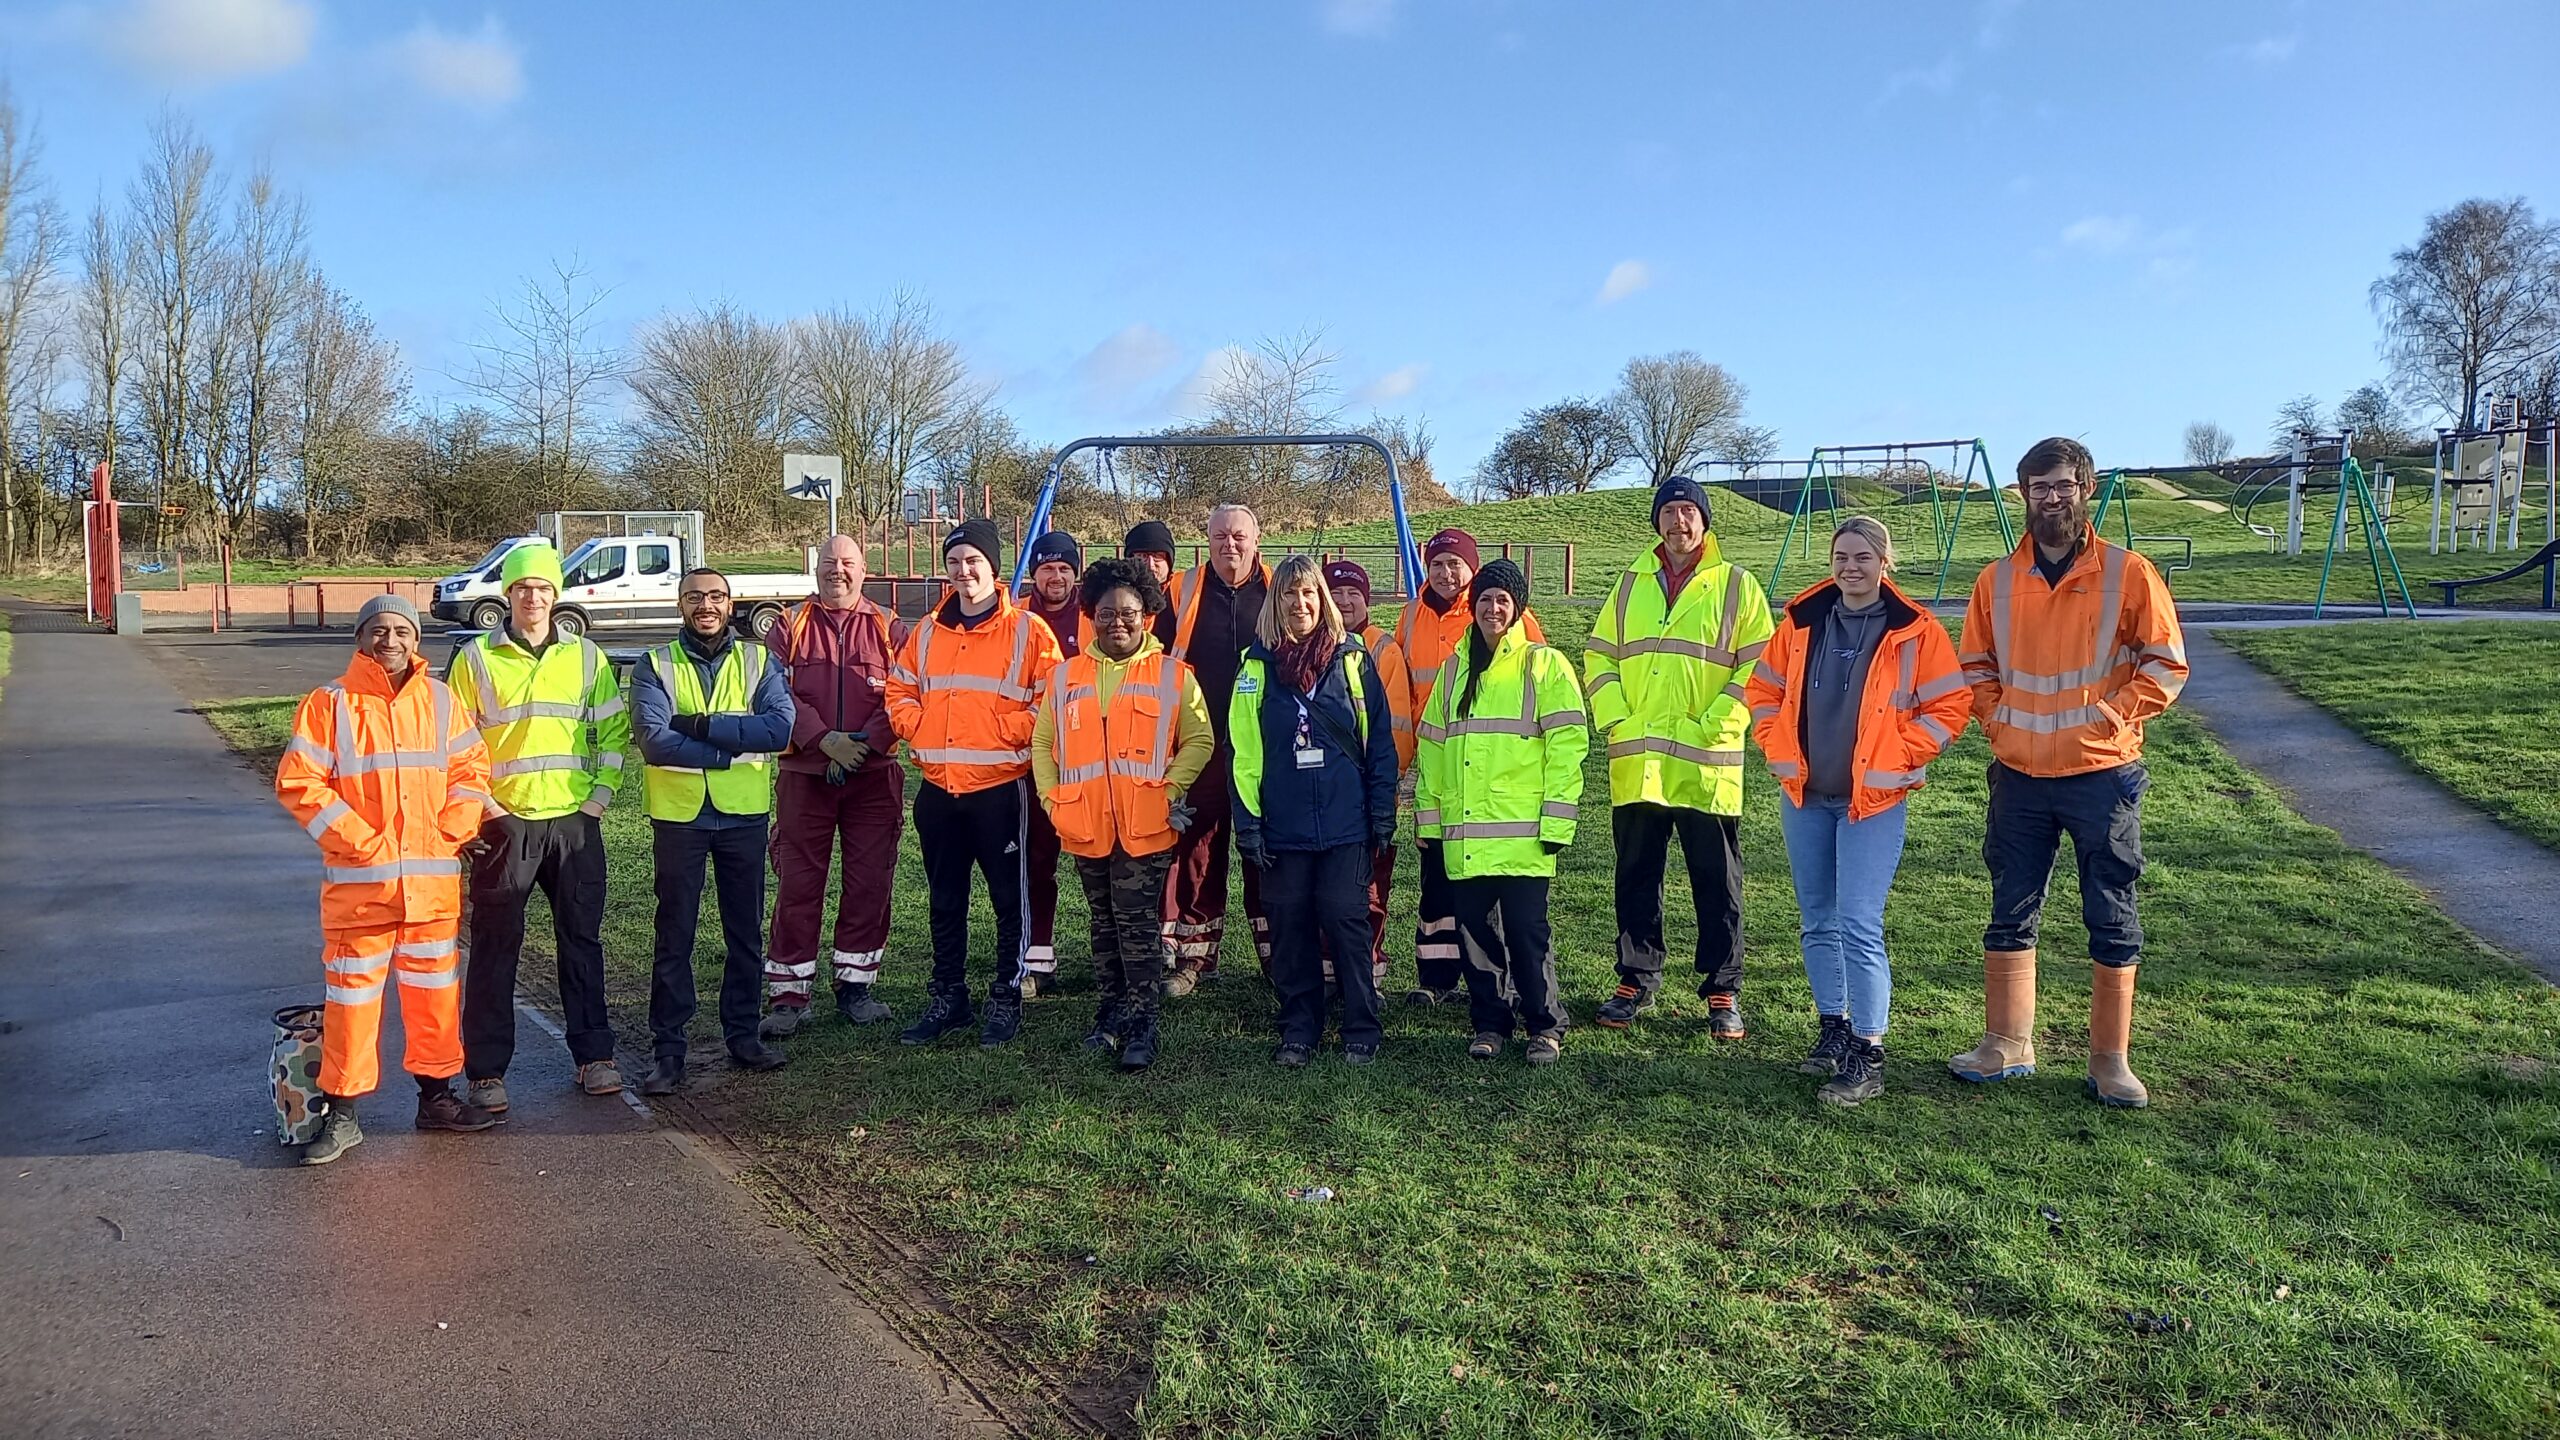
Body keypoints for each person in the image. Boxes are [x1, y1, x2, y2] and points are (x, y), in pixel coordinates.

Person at [1953, 437, 2187, 1108]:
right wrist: (1996, 721)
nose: (2051, 497)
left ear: (2087, 490)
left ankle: (2110, 1061)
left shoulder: (2129, 572)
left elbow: (2165, 664)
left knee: (2111, 913)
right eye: (2038, 486)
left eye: (2063, 486)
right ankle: (2005, 1043)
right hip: (2019, 773)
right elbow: (1974, 666)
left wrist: (2112, 716)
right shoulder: (1995, 580)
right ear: (2022, 495)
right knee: (2010, 909)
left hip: (2101, 776)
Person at [1745, 517, 1973, 1106]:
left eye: (1863, 557)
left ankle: (1869, 1052)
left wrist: (1902, 752)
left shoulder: (1916, 630)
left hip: (1872, 799)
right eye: (1841, 556)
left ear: (1884, 562)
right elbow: (1763, 690)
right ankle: (1833, 1031)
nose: (1851, 567)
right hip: (1805, 795)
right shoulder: (1800, 620)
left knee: (1859, 923)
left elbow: (1951, 705)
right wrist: (1776, 743)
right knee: (1817, 918)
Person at [275, 594, 500, 1164]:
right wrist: (364, 842)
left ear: (417, 639)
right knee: (352, 1003)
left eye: (402, 629)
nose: (391, 640)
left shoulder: (442, 700)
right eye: (379, 629)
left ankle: (436, 1098)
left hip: (430, 890)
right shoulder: (330, 704)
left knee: (435, 999)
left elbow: (471, 770)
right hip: (361, 889)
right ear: (361, 638)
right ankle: (343, 1113)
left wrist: (451, 828)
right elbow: (300, 784)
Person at [1584, 477, 1775, 1039]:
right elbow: (1598, 656)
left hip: (1704, 764)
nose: (1679, 522)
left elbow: (1760, 668)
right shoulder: (1628, 585)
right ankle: (1636, 977)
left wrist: (1715, 724)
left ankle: (1722, 988)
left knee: (1717, 882)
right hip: (1638, 761)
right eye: (1669, 512)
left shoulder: (1737, 586)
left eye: (1689, 511)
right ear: (1656, 523)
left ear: (1705, 521)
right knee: (1636, 876)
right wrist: (1618, 716)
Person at [448, 542, 629, 1114]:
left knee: (582, 942)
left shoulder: (586, 657)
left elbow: (614, 733)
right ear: (508, 594)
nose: (533, 597)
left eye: (543, 588)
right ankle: (485, 1071)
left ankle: (594, 1057)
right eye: (523, 587)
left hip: (574, 823)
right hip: (505, 824)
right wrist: (483, 810)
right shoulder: (475, 658)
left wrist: (597, 801)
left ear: (556, 594)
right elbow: (455, 747)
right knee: (496, 947)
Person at [1031, 557, 1215, 1069]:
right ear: (1091, 614)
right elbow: (1043, 742)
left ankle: (1142, 1022)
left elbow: (1199, 738)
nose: (1118, 622)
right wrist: (1051, 799)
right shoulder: (1065, 676)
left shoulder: (1174, 675)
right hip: (1084, 822)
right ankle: (1108, 1012)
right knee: (1102, 923)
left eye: (1129, 612)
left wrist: (1170, 787)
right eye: (1107, 612)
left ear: (1148, 614)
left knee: (1135, 924)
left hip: (1147, 824)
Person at [887, 518, 1064, 1047]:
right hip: (940, 790)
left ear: (993, 568)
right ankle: (948, 996)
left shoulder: (1030, 631)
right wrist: (919, 729)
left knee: (1010, 899)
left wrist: (1002, 735)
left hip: (1000, 789)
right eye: (955, 562)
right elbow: (899, 691)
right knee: (945, 898)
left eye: (974, 562)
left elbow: (1049, 701)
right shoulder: (926, 631)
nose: (964, 572)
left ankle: (1007, 997)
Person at [1412, 560, 1587, 1066]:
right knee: (1475, 935)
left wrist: (1557, 821)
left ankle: (1545, 1025)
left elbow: (1568, 745)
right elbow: (1433, 750)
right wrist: (1429, 821)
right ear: (1475, 604)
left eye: (1503, 601)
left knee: (1527, 935)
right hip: (1465, 837)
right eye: (1485, 598)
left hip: (1524, 837)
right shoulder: (1454, 670)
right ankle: (1490, 1022)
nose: (1493, 608)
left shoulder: (1545, 665)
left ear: (1518, 609)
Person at [630, 568, 797, 1095]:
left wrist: (698, 726)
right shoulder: (653, 663)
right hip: (679, 817)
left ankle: (743, 1036)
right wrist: (734, 745)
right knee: (674, 934)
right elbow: (655, 741)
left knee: (744, 932)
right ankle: (669, 1050)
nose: (706, 605)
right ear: (680, 604)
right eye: (695, 597)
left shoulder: (758, 659)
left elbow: (779, 729)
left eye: (716, 596)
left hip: (743, 816)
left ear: (731, 604)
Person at [1233, 555, 1401, 1067]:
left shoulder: (1353, 661)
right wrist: (1249, 824)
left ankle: (1361, 1025)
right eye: (1288, 594)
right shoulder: (1254, 667)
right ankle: (1299, 1027)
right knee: (1290, 927)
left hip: (1346, 823)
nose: (1299, 604)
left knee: (1347, 922)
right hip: (1281, 828)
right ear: (1275, 603)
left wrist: (1381, 814)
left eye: (1308, 593)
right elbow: (1242, 752)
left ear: (1321, 600)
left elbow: (1380, 748)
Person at [1393, 528, 1545, 1005]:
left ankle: (1509, 979)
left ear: (1472, 570)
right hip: (1435, 763)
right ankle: (1436, 977)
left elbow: (1536, 682)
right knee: (1436, 871)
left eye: (1455, 564)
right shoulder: (1410, 617)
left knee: (1496, 878)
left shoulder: (1505, 612)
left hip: (1496, 771)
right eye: (1436, 563)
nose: (1444, 573)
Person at [759, 535, 903, 1039]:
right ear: (814, 569)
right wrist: (823, 739)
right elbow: (773, 690)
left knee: (869, 883)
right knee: (799, 885)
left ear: (864, 570)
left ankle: (856, 986)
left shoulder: (889, 627)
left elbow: (908, 692)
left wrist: (864, 745)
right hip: (805, 777)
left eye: (847, 563)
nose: (836, 571)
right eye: (828, 563)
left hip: (874, 778)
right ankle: (789, 994)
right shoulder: (788, 625)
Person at [1155, 503, 1271, 990]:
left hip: (1264, 749)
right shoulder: (1179, 591)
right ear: (1207, 541)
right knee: (1197, 849)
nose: (1230, 545)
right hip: (1196, 744)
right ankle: (1193, 960)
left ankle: (1279, 960)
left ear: (1256, 541)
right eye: (1220, 536)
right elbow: (1152, 662)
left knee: (1267, 851)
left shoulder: (1277, 589)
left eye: (1239, 536)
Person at [1321, 559, 1413, 993]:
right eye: (1335, 594)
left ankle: (1368, 970)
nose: (1343, 601)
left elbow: (1395, 729)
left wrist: (1379, 786)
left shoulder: (1383, 650)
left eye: (1352, 593)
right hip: (1324, 798)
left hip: (1371, 794)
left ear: (1367, 598)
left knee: (1371, 889)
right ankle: (1327, 968)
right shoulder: (1309, 644)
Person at [1016, 530, 1085, 996]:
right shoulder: (1016, 618)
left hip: (1091, 761)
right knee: (1035, 859)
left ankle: (1119, 959)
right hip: (1031, 760)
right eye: (1047, 568)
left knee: (1102, 864)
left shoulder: (1097, 613)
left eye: (1064, 568)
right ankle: (1035, 957)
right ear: (1034, 572)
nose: (1055, 576)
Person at [1123, 520, 1178, 590]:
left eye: (1157, 556)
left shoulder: (1186, 591)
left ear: (1169, 560)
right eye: (1142, 556)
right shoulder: (1116, 595)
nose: (1150, 565)